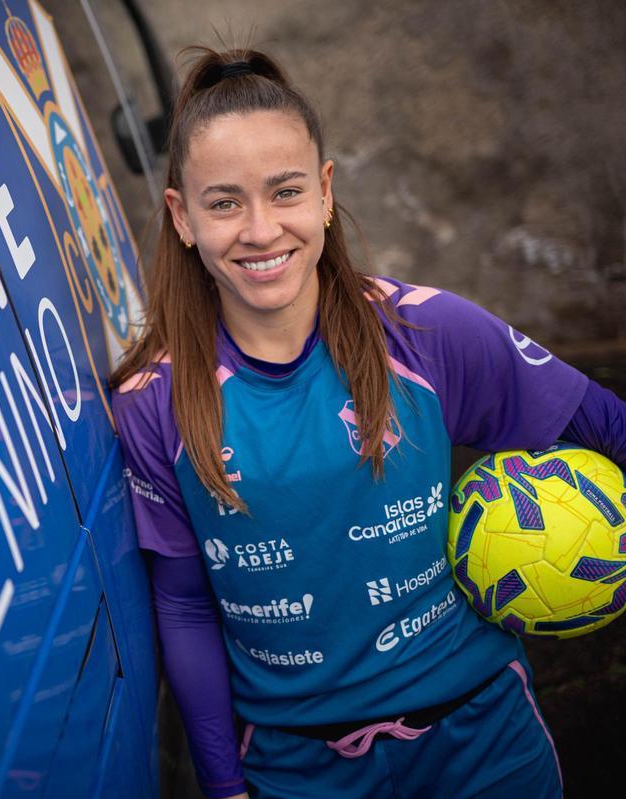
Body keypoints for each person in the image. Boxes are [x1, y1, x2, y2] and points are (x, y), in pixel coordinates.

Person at [109, 47, 626, 799]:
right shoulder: (154, 400)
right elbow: (183, 602)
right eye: (223, 203)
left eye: (284, 191)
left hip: (483, 741)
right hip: (296, 768)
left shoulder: (428, 333)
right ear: (182, 217)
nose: (260, 230)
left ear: (323, 193)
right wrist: (222, 782)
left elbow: (607, 424)